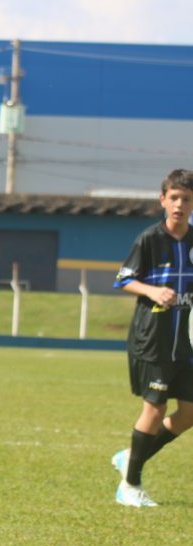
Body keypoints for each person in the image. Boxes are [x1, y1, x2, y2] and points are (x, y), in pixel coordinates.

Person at [112, 169, 193, 507]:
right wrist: (152, 290)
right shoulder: (149, 239)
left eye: (186, 199)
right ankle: (129, 486)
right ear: (163, 200)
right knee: (155, 409)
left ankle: (131, 455)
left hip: (186, 344)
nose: (179, 204)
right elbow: (123, 279)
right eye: (173, 198)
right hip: (153, 340)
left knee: (189, 413)